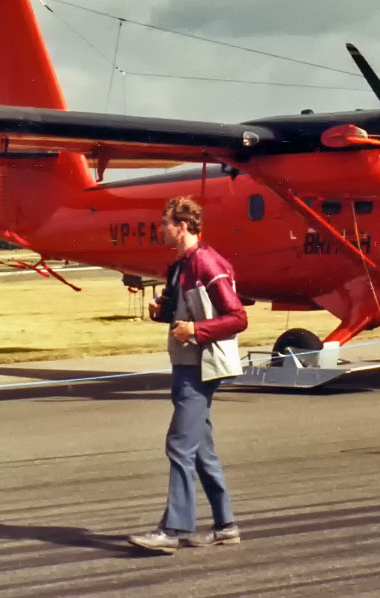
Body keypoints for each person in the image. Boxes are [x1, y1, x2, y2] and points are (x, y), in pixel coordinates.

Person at [128, 196, 248, 554]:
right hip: (185, 364)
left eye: (164, 224)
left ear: (181, 227)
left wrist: (196, 330)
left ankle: (173, 529)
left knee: (180, 445)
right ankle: (226, 525)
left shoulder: (207, 265)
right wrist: (160, 312)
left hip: (200, 367)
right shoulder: (180, 266)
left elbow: (237, 318)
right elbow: (177, 313)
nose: (160, 229)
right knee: (199, 450)